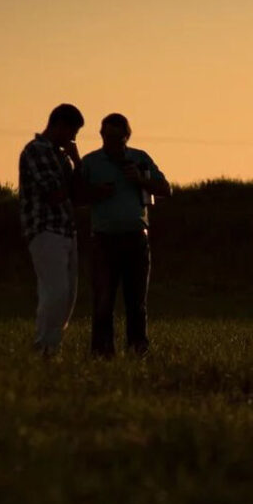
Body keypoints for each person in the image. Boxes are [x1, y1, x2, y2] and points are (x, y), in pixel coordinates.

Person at [81, 113, 172, 357]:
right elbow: (75, 195)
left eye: (119, 139)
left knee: (136, 302)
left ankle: (137, 351)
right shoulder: (90, 162)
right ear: (101, 135)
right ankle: (102, 353)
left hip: (136, 238)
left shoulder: (140, 159)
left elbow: (166, 189)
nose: (113, 143)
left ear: (126, 137)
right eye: (109, 137)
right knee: (103, 301)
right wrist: (95, 193)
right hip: (103, 240)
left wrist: (141, 180)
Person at [18, 103, 85, 357]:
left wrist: (76, 162)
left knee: (67, 296)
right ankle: (44, 346)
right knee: (55, 291)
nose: (73, 138)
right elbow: (56, 193)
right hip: (45, 229)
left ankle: (50, 345)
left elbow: (76, 194)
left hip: (66, 229)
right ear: (59, 125)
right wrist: (73, 176)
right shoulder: (36, 151)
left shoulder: (61, 156)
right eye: (72, 131)